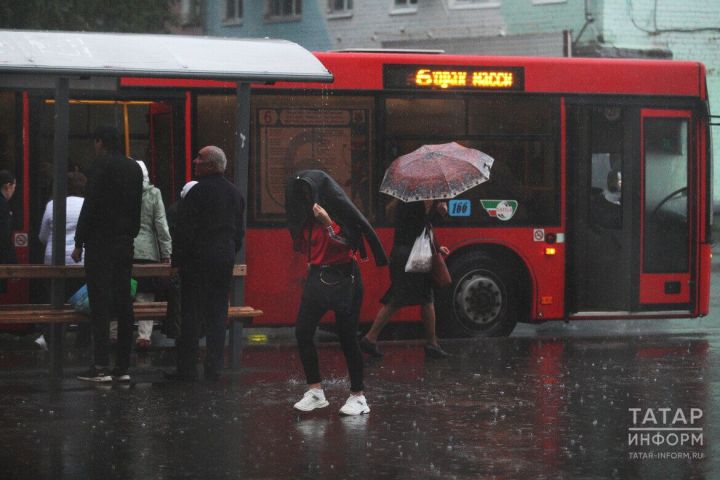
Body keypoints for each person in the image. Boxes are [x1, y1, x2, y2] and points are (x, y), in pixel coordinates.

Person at [285, 171, 383, 416]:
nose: (305, 198)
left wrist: (328, 222)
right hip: (318, 277)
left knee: (348, 337)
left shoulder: (337, 212)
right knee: (303, 331)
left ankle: (358, 396)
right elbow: (307, 247)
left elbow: (348, 243)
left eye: (308, 192)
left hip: (343, 278)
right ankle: (315, 391)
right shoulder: (307, 217)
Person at [167, 146, 245, 382]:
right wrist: (229, 251)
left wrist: (177, 261)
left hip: (197, 261)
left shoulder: (197, 193)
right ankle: (214, 368)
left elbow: (184, 231)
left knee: (191, 313)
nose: (195, 160)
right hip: (223, 259)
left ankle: (187, 368)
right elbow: (238, 233)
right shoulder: (234, 193)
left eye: (200, 158)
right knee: (217, 313)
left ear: (211, 165)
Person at [73, 126, 143, 383]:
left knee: (100, 303)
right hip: (125, 242)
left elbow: (90, 205)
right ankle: (123, 367)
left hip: (100, 243)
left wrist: (80, 241)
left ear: (100, 142)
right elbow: (137, 206)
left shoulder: (100, 165)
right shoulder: (134, 168)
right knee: (124, 304)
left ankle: (100, 365)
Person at [359, 199, 450, 359]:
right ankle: (370, 338)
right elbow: (420, 227)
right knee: (401, 299)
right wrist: (438, 212)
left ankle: (431, 343)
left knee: (423, 298)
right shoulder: (415, 203)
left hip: (404, 254)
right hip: (412, 257)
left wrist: (436, 242)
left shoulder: (403, 202)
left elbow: (424, 229)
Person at [37, 171, 87, 348]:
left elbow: (43, 236)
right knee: (84, 302)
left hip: (54, 261)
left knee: (55, 302)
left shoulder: (52, 205)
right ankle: (83, 341)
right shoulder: (87, 205)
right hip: (80, 261)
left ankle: (52, 339)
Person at [131, 160, 172, 350]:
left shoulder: (121, 191)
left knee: (122, 291)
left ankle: (114, 332)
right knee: (145, 295)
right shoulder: (154, 194)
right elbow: (161, 225)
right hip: (148, 251)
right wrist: (166, 253)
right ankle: (144, 336)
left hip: (125, 249)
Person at [0, 170, 17, 294]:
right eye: (14, 187)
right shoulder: (3, 206)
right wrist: (13, 264)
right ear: (7, 186)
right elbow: (4, 237)